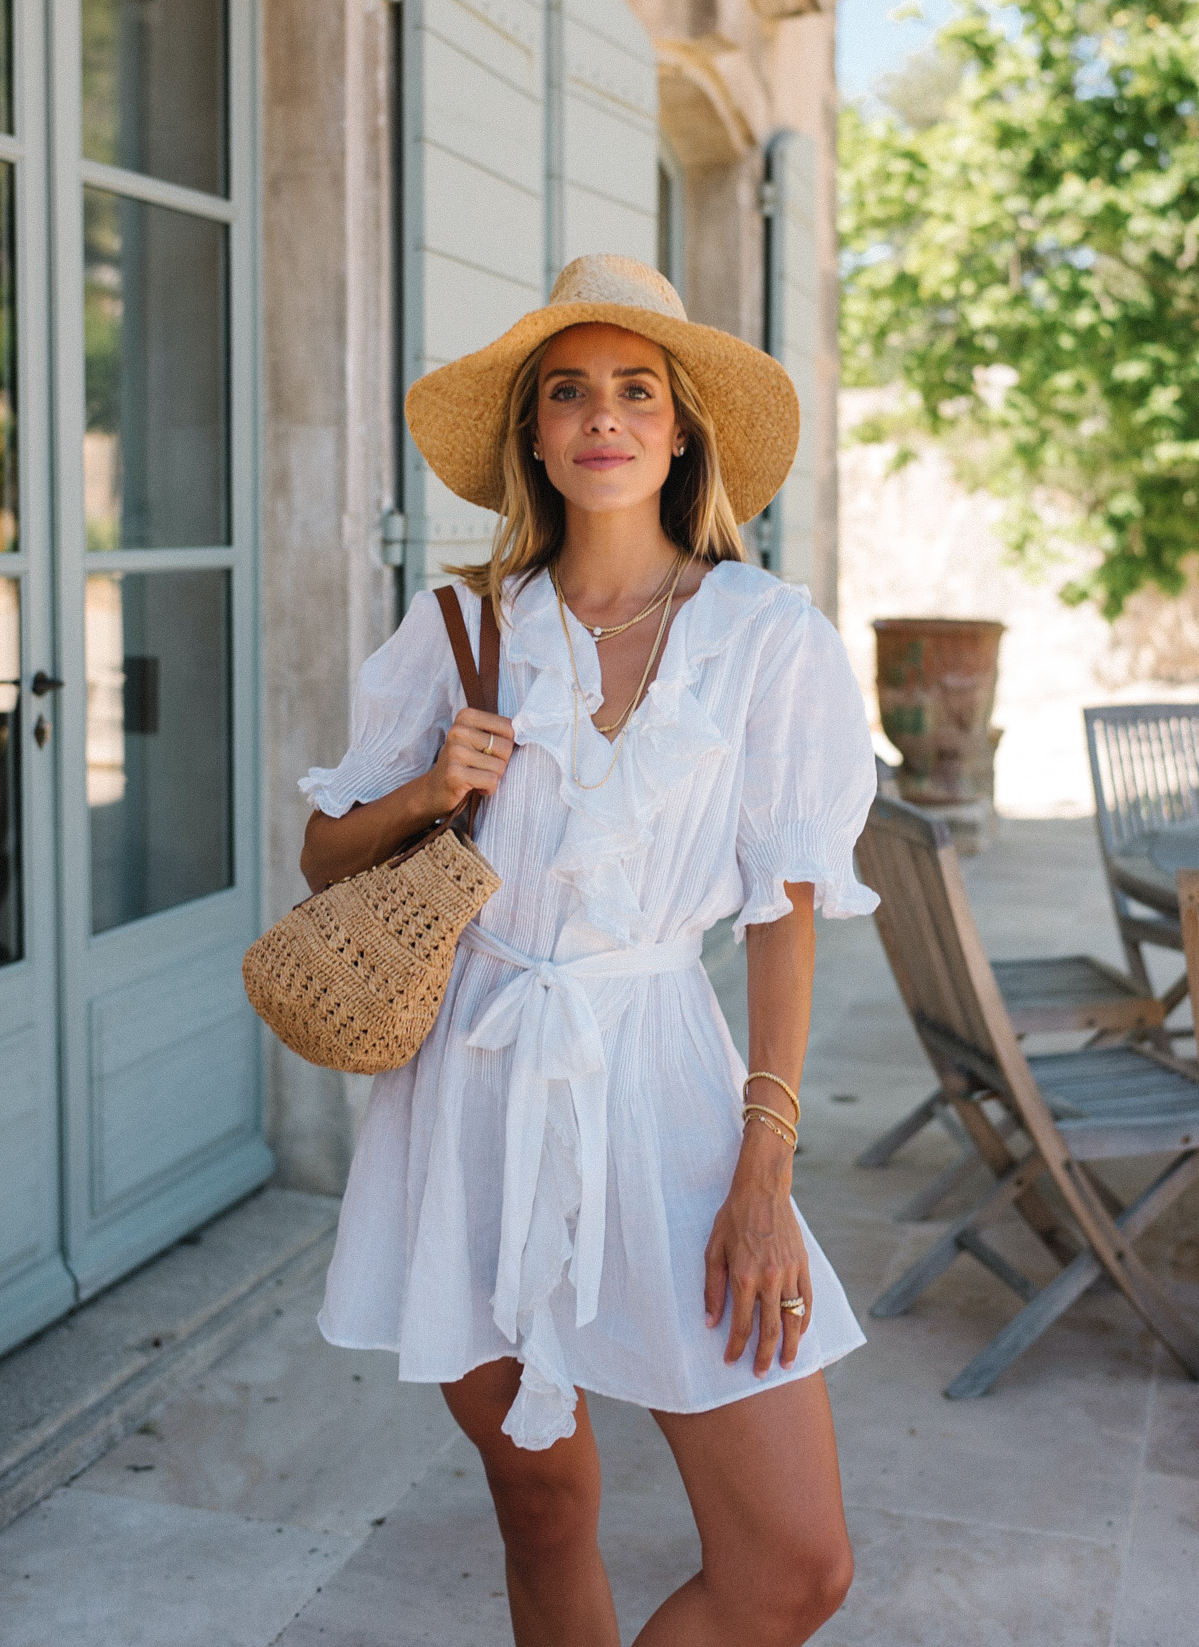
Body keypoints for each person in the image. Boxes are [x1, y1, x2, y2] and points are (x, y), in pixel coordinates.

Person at [300, 254, 877, 1646]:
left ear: (681, 433)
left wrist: (765, 1163)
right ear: (537, 436)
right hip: (474, 1090)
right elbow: (324, 864)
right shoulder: (464, 631)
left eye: (636, 392)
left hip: (671, 1083)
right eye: (571, 395)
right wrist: (433, 791)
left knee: (795, 1569)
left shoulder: (766, 637)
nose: (602, 419)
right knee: (544, 1508)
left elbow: (784, 906)